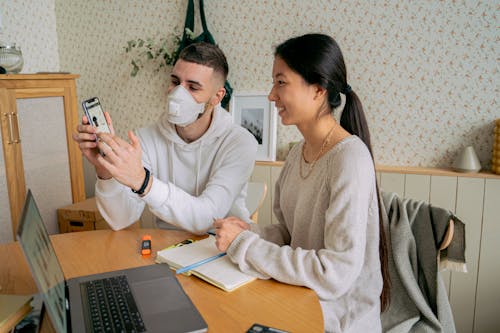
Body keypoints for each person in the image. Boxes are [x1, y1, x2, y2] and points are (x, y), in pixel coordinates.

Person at [213, 34, 389, 333]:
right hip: (300, 301)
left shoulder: (350, 159)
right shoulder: (298, 154)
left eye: (281, 82)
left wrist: (245, 245)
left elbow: (335, 273)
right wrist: (252, 232)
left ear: (318, 90)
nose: (271, 95)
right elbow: (289, 234)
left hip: (338, 320)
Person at [73, 42, 258, 234]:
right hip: (168, 247)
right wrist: (105, 171)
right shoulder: (145, 138)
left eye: (193, 87)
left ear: (217, 97)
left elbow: (207, 218)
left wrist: (143, 182)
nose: (178, 94)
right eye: (176, 82)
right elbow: (120, 219)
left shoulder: (239, 143)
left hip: (222, 248)